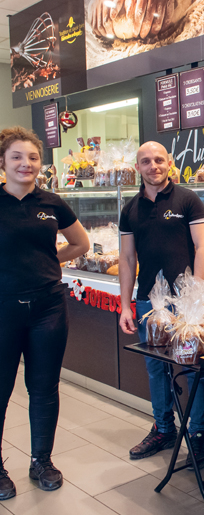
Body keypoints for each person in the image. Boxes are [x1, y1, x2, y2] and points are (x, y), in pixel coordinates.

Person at [0, 127, 89, 500]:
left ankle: (42, 461)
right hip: (3, 308)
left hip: (48, 307)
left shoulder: (52, 202)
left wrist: (50, 260)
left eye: (33, 157)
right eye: (17, 157)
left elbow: (81, 243)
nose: (26, 163)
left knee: (44, 387)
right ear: (2, 162)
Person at [118, 141, 204, 469]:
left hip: (186, 302)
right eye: (146, 161)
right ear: (138, 167)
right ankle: (163, 428)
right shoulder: (130, 208)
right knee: (156, 369)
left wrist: (196, 296)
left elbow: (203, 248)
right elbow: (127, 259)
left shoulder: (188, 199)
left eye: (159, 159)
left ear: (169, 162)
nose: (153, 165)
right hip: (148, 303)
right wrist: (127, 305)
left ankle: (199, 436)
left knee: (192, 368)